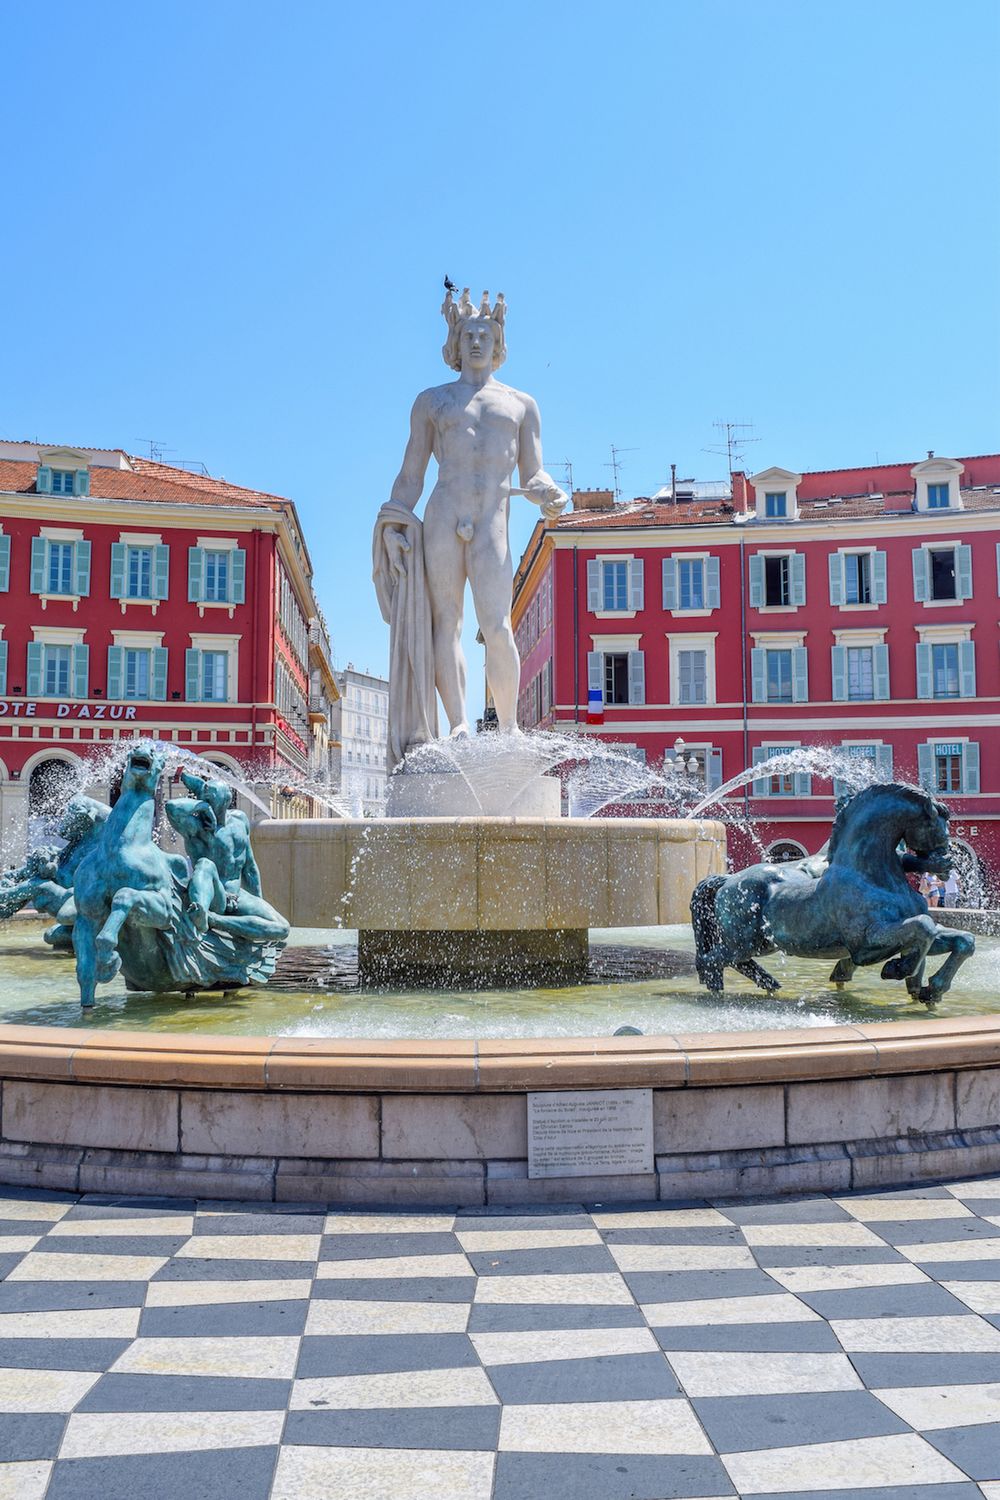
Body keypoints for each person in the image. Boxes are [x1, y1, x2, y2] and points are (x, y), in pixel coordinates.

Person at [374, 288, 567, 755]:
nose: (476, 341)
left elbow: (532, 471)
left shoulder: (522, 404)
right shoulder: (431, 402)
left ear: (498, 344)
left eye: (485, 334)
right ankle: (459, 725)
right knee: (447, 623)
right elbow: (411, 474)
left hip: (492, 520)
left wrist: (546, 489)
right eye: (468, 334)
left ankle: (508, 729)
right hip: (444, 515)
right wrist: (396, 523)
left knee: (497, 625)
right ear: (455, 344)